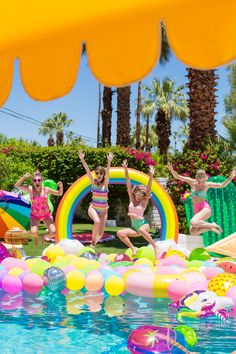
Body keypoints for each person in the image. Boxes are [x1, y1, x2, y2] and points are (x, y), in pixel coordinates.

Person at [166, 163, 236, 236]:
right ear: (197, 179)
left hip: (205, 208)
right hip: (196, 209)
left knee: (193, 222)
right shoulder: (192, 182)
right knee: (193, 232)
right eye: (200, 182)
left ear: (205, 179)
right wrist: (172, 170)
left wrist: (230, 177)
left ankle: (212, 225)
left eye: (203, 181)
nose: (202, 184)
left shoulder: (207, 184)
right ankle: (210, 227)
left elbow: (222, 185)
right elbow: (178, 176)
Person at [117, 160, 159, 259]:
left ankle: (155, 246)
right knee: (120, 233)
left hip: (143, 225)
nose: (139, 197)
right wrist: (125, 169)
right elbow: (128, 183)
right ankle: (133, 248)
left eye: (141, 195)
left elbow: (148, 190)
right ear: (135, 193)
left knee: (141, 229)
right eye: (138, 194)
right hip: (134, 228)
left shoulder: (143, 203)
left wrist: (151, 175)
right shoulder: (131, 199)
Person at [15, 170, 63, 244]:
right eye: (35, 180)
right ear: (33, 181)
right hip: (35, 215)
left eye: (39, 180)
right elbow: (17, 185)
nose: (37, 182)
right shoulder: (30, 189)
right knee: (33, 232)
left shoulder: (46, 190)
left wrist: (61, 186)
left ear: (41, 181)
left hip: (46, 214)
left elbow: (59, 193)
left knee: (53, 232)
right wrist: (24, 177)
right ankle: (36, 234)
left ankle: (44, 235)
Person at [79, 151, 114, 247]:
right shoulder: (93, 183)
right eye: (97, 173)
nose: (99, 175)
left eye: (101, 173)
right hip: (93, 208)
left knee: (101, 234)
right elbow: (87, 171)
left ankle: (94, 241)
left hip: (103, 212)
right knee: (97, 222)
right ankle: (93, 242)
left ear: (103, 175)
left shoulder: (105, 185)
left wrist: (109, 161)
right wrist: (82, 160)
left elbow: (108, 173)